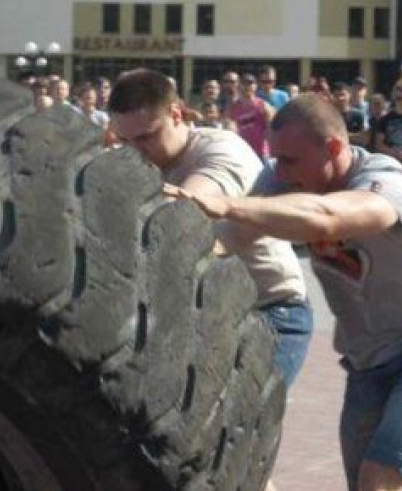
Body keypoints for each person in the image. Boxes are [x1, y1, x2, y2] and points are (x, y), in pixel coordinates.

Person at [183, 94, 402, 491]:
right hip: (365, 367)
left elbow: (327, 218)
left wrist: (228, 204)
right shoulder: (281, 178)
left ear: (333, 148)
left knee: (377, 482)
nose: (280, 172)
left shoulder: (392, 183)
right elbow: (229, 239)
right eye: (276, 159)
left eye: (290, 160)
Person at [108, 70, 311, 393]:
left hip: (269, 312)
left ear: (176, 114)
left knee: (242, 416)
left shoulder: (222, 151)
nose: (135, 151)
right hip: (198, 318)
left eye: (146, 137)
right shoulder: (135, 161)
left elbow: (184, 213)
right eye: (124, 141)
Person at [226, 73, 274, 160]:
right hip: (242, 152)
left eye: (251, 83)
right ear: (239, 86)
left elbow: (271, 128)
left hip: (261, 152)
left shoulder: (263, 105)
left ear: (255, 86)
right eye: (244, 83)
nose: (247, 86)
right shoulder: (233, 107)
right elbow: (229, 128)